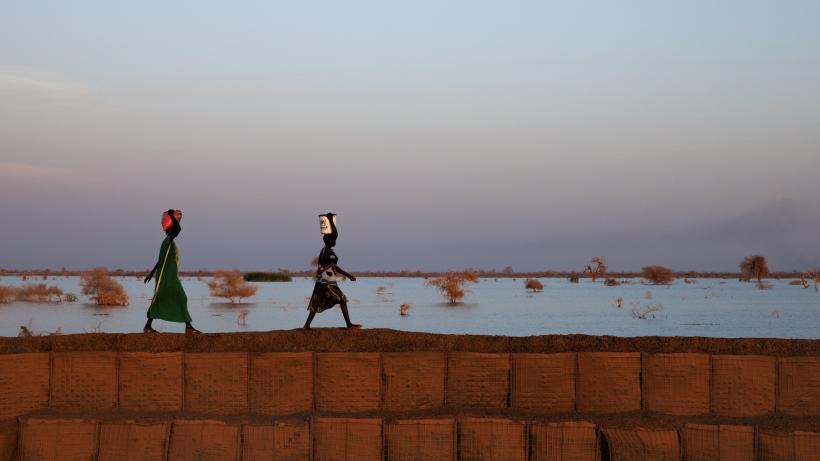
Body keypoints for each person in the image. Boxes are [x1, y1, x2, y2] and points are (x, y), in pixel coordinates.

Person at [143, 209, 200, 334]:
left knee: (166, 298)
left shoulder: (168, 242)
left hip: (168, 276)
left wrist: (151, 273)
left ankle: (148, 327)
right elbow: (178, 229)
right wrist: (170, 215)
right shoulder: (169, 240)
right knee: (177, 297)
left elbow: (160, 260)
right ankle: (188, 328)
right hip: (167, 277)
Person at [303, 213, 361, 329]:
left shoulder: (326, 250)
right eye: (333, 239)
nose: (335, 240)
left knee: (318, 302)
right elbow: (335, 267)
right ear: (329, 241)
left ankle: (307, 325)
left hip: (324, 282)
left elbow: (334, 235)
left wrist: (330, 222)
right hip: (326, 283)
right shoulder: (327, 253)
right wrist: (330, 219)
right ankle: (349, 324)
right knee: (341, 299)